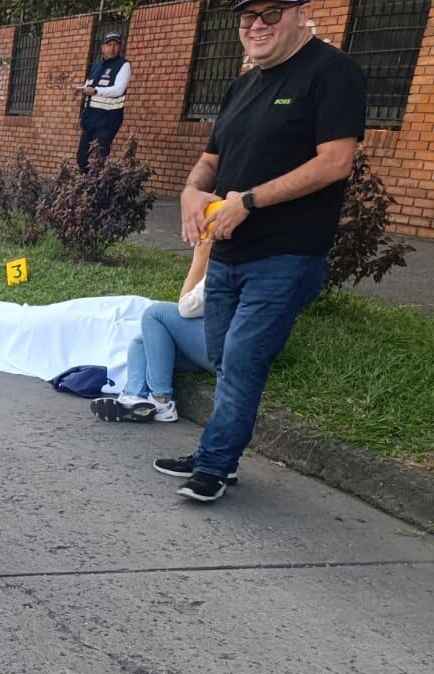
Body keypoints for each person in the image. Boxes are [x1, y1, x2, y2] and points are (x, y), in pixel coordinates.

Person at [155, 0, 365, 503]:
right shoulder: (242, 85)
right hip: (227, 251)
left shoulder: (332, 72)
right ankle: (216, 450)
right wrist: (190, 191)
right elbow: (211, 160)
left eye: (271, 13)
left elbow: (336, 163)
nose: (257, 26)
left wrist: (248, 201)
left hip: (286, 253)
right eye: (247, 17)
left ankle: (214, 465)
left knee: (244, 359)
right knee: (223, 356)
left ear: (300, 13)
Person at [92, 239, 213, 423]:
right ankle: (133, 398)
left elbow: (186, 307)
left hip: (228, 351)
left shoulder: (230, 261)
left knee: (154, 314)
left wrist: (200, 257)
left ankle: (161, 401)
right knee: (141, 342)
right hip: (214, 344)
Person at [75, 32, 130, 172]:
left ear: (120, 47)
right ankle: (86, 190)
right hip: (90, 120)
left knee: (97, 160)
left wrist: (96, 91)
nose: (112, 48)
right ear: (102, 47)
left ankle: (96, 191)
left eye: (116, 45)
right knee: (82, 159)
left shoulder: (123, 65)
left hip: (107, 121)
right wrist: (80, 90)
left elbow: (119, 89)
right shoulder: (96, 67)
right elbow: (89, 87)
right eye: (109, 45)